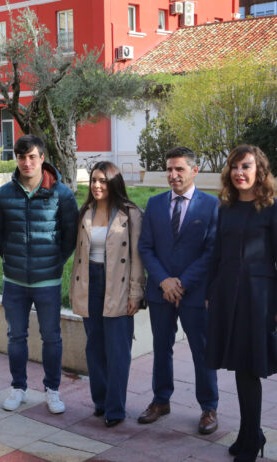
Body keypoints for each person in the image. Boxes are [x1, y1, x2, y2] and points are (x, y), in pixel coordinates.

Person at [0, 135, 78, 414]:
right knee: (16, 336)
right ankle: (18, 388)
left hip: (48, 281)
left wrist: (52, 263)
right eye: (21, 157)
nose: (26, 162)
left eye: (32, 157)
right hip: (14, 281)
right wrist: (14, 260)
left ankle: (52, 390)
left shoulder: (61, 194)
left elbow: (70, 237)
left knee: (51, 337)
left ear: (42, 158)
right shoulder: (3, 194)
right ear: (16, 159)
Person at [137, 146, 219, 434]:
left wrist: (182, 282)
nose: (173, 175)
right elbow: (145, 247)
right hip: (160, 291)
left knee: (202, 350)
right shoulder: (155, 203)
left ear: (194, 171)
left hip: (194, 292)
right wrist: (164, 280)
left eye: (179, 169)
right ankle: (161, 401)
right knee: (161, 348)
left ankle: (209, 407)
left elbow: (211, 252)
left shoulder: (211, 206)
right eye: (169, 169)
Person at [206, 145, 277, 462]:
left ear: (259, 170)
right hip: (227, 295)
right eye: (234, 167)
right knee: (237, 364)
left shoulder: (272, 208)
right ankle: (251, 432)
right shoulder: (226, 208)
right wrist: (210, 293)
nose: (239, 173)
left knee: (249, 368)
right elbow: (217, 254)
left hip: (258, 298)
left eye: (246, 166)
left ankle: (252, 436)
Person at [69, 161, 145, 427]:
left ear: (113, 183)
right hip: (90, 282)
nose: (97, 185)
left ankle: (116, 408)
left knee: (118, 350)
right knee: (94, 347)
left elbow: (137, 257)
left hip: (119, 285)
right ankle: (100, 402)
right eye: (93, 180)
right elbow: (79, 255)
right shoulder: (85, 212)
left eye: (102, 180)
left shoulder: (131, 214)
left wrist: (136, 292)